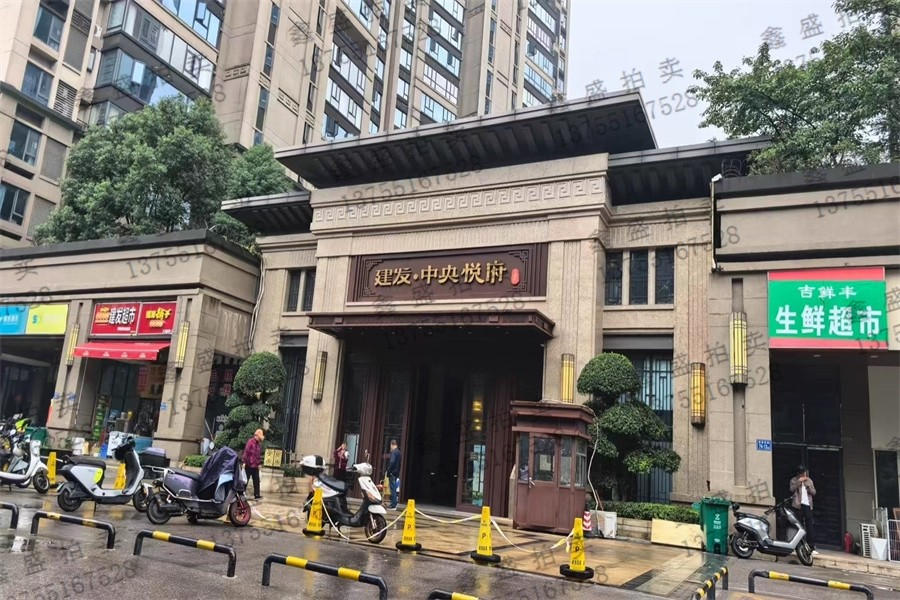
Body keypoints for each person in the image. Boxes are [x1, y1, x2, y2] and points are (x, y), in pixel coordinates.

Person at [790, 464, 819, 555]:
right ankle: (798, 546)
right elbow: (791, 489)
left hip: (807, 505)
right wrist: (799, 482)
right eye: (801, 473)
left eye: (804, 473)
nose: (803, 475)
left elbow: (814, 492)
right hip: (797, 505)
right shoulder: (793, 480)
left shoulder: (809, 480)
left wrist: (807, 486)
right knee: (798, 526)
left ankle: (811, 546)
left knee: (809, 525)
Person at [243, 428, 264, 500]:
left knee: (256, 480)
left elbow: (258, 455)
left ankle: (257, 495)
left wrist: (259, 464)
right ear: (256, 436)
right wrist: (244, 462)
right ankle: (241, 494)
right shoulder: (250, 442)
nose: (260, 439)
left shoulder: (258, 444)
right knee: (245, 480)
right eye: (259, 438)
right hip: (249, 464)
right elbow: (246, 452)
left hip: (255, 465)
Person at [386, 439, 401, 509]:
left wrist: (388, 471)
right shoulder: (399, 452)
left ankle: (393, 504)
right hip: (396, 473)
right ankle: (394, 503)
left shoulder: (394, 452)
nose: (390, 447)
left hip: (392, 473)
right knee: (394, 488)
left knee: (392, 489)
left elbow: (392, 462)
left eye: (390, 446)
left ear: (392, 445)